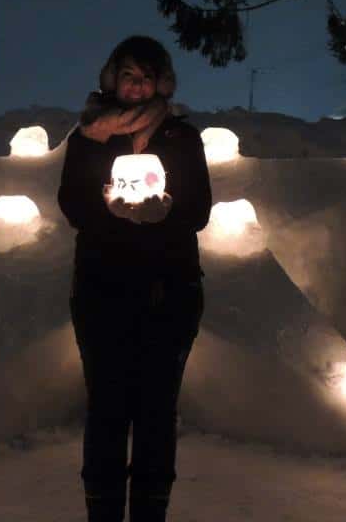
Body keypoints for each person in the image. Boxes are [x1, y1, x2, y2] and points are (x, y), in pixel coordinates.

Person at [58, 35, 212, 522]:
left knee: (155, 413)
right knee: (106, 409)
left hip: (169, 293)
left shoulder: (181, 138)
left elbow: (199, 209)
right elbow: (72, 204)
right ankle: (102, 512)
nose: (137, 84)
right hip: (103, 292)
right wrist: (110, 211)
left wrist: (164, 213)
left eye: (146, 75)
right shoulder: (87, 138)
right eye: (128, 74)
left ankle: (151, 512)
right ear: (111, 78)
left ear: (161, 81)